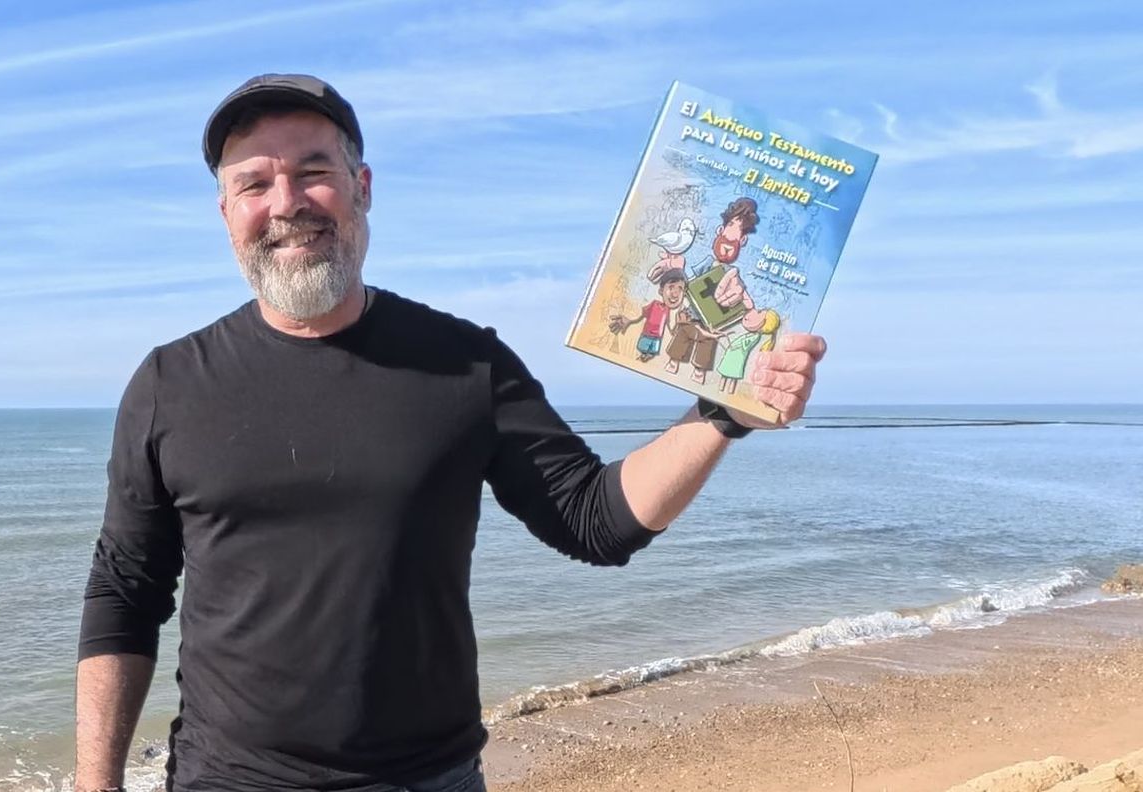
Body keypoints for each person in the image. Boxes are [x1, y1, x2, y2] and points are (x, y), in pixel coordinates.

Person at [75, 74, 825, 792]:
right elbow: (124, 591)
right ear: (226, 213)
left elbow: (595, 521)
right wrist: (96, 781)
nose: (287, 203)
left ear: (362, 188)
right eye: (254, 184)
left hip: (424, 780)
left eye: (314, 171)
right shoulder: (170, 383)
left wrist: (721, 415)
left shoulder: (465, 363)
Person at [608, 267, 687, 363]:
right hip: (647, 334)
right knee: (643, 348)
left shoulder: (669, 312)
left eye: (680, 289)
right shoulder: (654, 304)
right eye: (671, 287)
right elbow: (641, 315)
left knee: (652, 351)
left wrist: (677, 327)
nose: (675, 294)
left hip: (657, 337)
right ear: (661, 291)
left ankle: (645, 357)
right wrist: (629, 321)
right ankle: (642, 357)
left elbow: (669, 325)